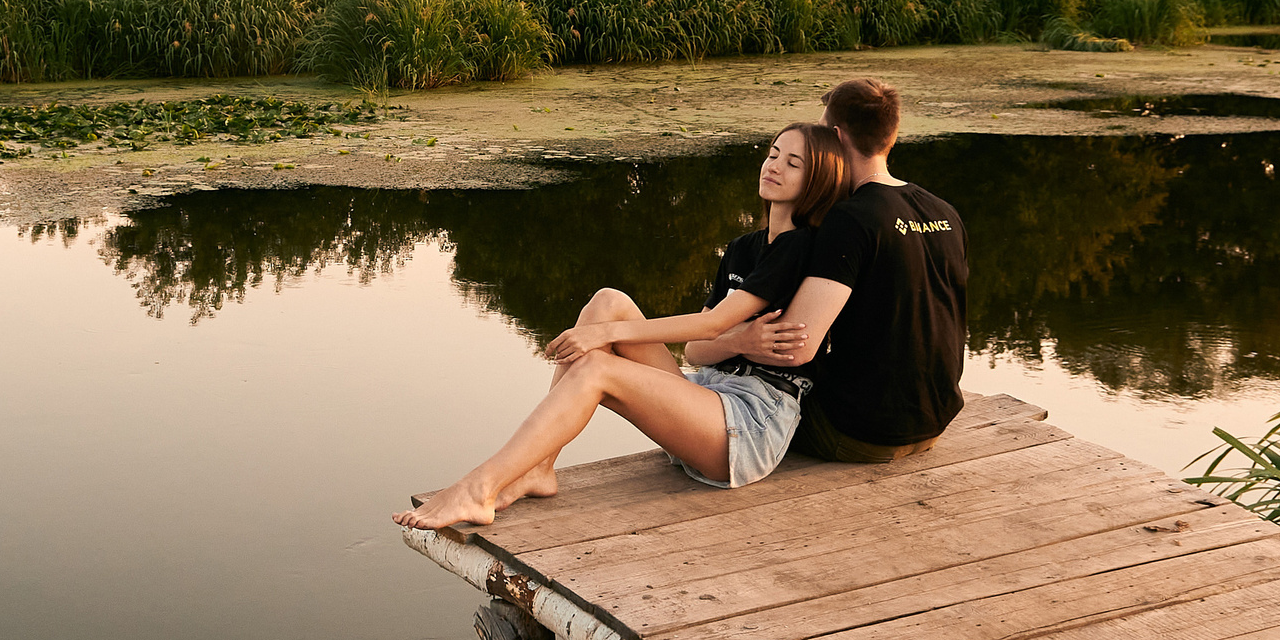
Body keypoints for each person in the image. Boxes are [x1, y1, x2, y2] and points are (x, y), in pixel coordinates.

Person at [394, 124, 854, 530]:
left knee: (597, 366)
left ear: (815, 182)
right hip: (706, 396)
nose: (774, 166)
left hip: (750, 425)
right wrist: (742, 341)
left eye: (793, 163)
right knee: (608, 301)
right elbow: (697, 349)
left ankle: (480, 488)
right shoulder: (742, 248)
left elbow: (713, 322)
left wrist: (608, 336)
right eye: (773, 153)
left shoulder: (801, 247)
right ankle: (540, 467)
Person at [731, 78, 969, 463]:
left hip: (858, 432)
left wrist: (723, 339)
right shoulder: (944, 211)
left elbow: (794, 348)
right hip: (934, 422)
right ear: (890, 137)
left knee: (725, 408)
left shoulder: (851, 219)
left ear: (836, 137)